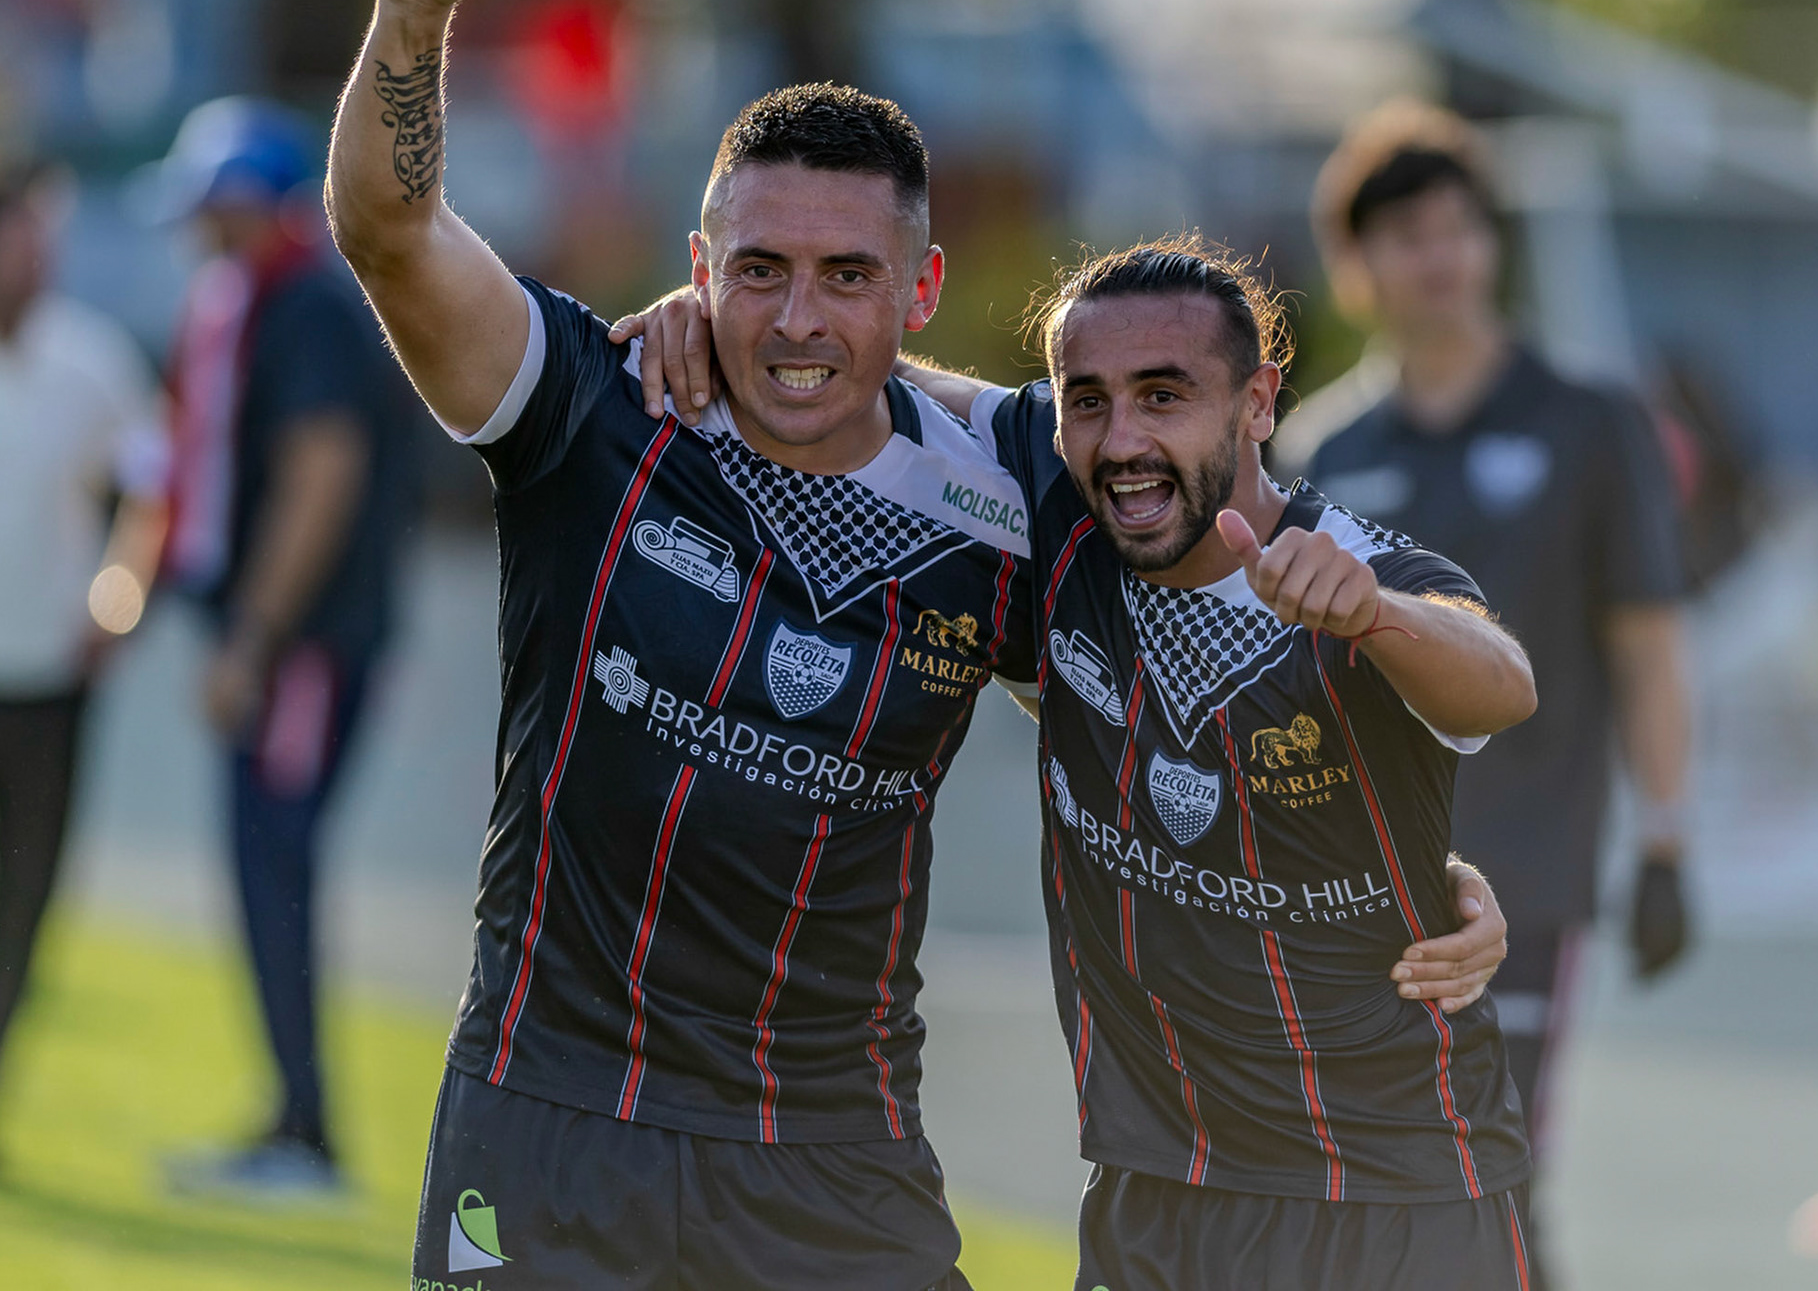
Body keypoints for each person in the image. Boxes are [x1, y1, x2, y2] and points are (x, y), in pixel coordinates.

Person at [329, 0, 1509, 1288]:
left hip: (840, 1157)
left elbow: (1150, 700)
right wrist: (412, 17)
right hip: (556, 1118)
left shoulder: (1014, 499)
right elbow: (393, 235)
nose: (799, 318)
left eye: (846, 275)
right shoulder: (593, 413)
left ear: (922, 287)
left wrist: (1398, 866)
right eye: (757, 271)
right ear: (700, 270)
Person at [629, 241, 1539, 1289]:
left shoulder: (1354, 576)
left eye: (1165, 396)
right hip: (1154, 1199)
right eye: (1089, 400)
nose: (1124, 440)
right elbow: (860, 367)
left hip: (1400, 1206)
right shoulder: (1060, 508)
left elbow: (1502, 679)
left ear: (1257, 402)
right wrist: (704, 317)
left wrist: (1381, 617)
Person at [1283, 101, 1693, 1287]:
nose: (1443, 255)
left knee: (1493, 1170)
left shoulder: (1590, 423)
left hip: (1531, 865)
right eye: (1408, 233)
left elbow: (1650, 643)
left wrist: (1665, 843)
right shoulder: (1319, 452)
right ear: (1356, 264)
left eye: (1462, 227)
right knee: (1366, 1183)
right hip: (1348, 880)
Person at [148, 97, 411, 1195]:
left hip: (303, 645)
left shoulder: (304, 305)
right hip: (288, 639)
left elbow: (322, 471)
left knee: (278, 864)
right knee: (266, 863)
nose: (202, 228)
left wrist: (253, 638)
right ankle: (292, 1121)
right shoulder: (260, 297)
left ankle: (305, 1134)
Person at [0, 148, 166, 1160]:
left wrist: (120, 592)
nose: (33, 262)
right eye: (13, 244)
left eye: (42, 244)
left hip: (48, 680)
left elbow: (150, 488)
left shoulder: (92, 363)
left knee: (24, 907)